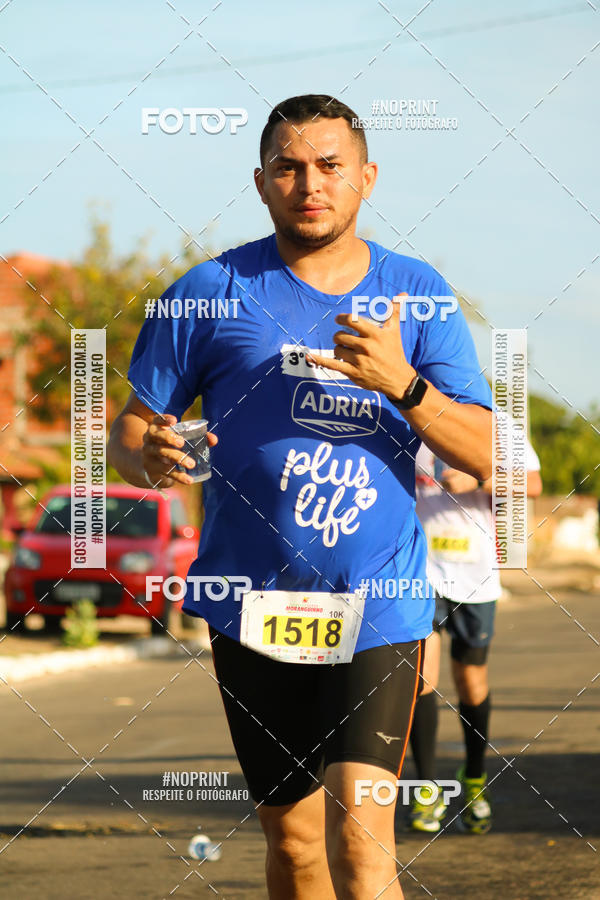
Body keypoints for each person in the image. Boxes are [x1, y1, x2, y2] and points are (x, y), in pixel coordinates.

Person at [107, 94, 493, 898]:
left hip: (378, 603)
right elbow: (131, 433)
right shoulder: (209, 291)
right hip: (251, 605)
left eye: (329, 166)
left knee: (362, 845)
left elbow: (494, 454)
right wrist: (151, 455)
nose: (309, 183)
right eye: (287, 167)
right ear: (261, 182)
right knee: (294, 848)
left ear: (366, 177)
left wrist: (404, 385)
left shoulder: (415, 293)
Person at [408, 439, 542, 835]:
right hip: (422, 571)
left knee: (471, 682)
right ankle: (426, 790)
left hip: (475, 575)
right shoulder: (409, 418)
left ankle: (474, 778)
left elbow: (533, 483)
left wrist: (481, 480)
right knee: (421, 679)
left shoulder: (497, 427)